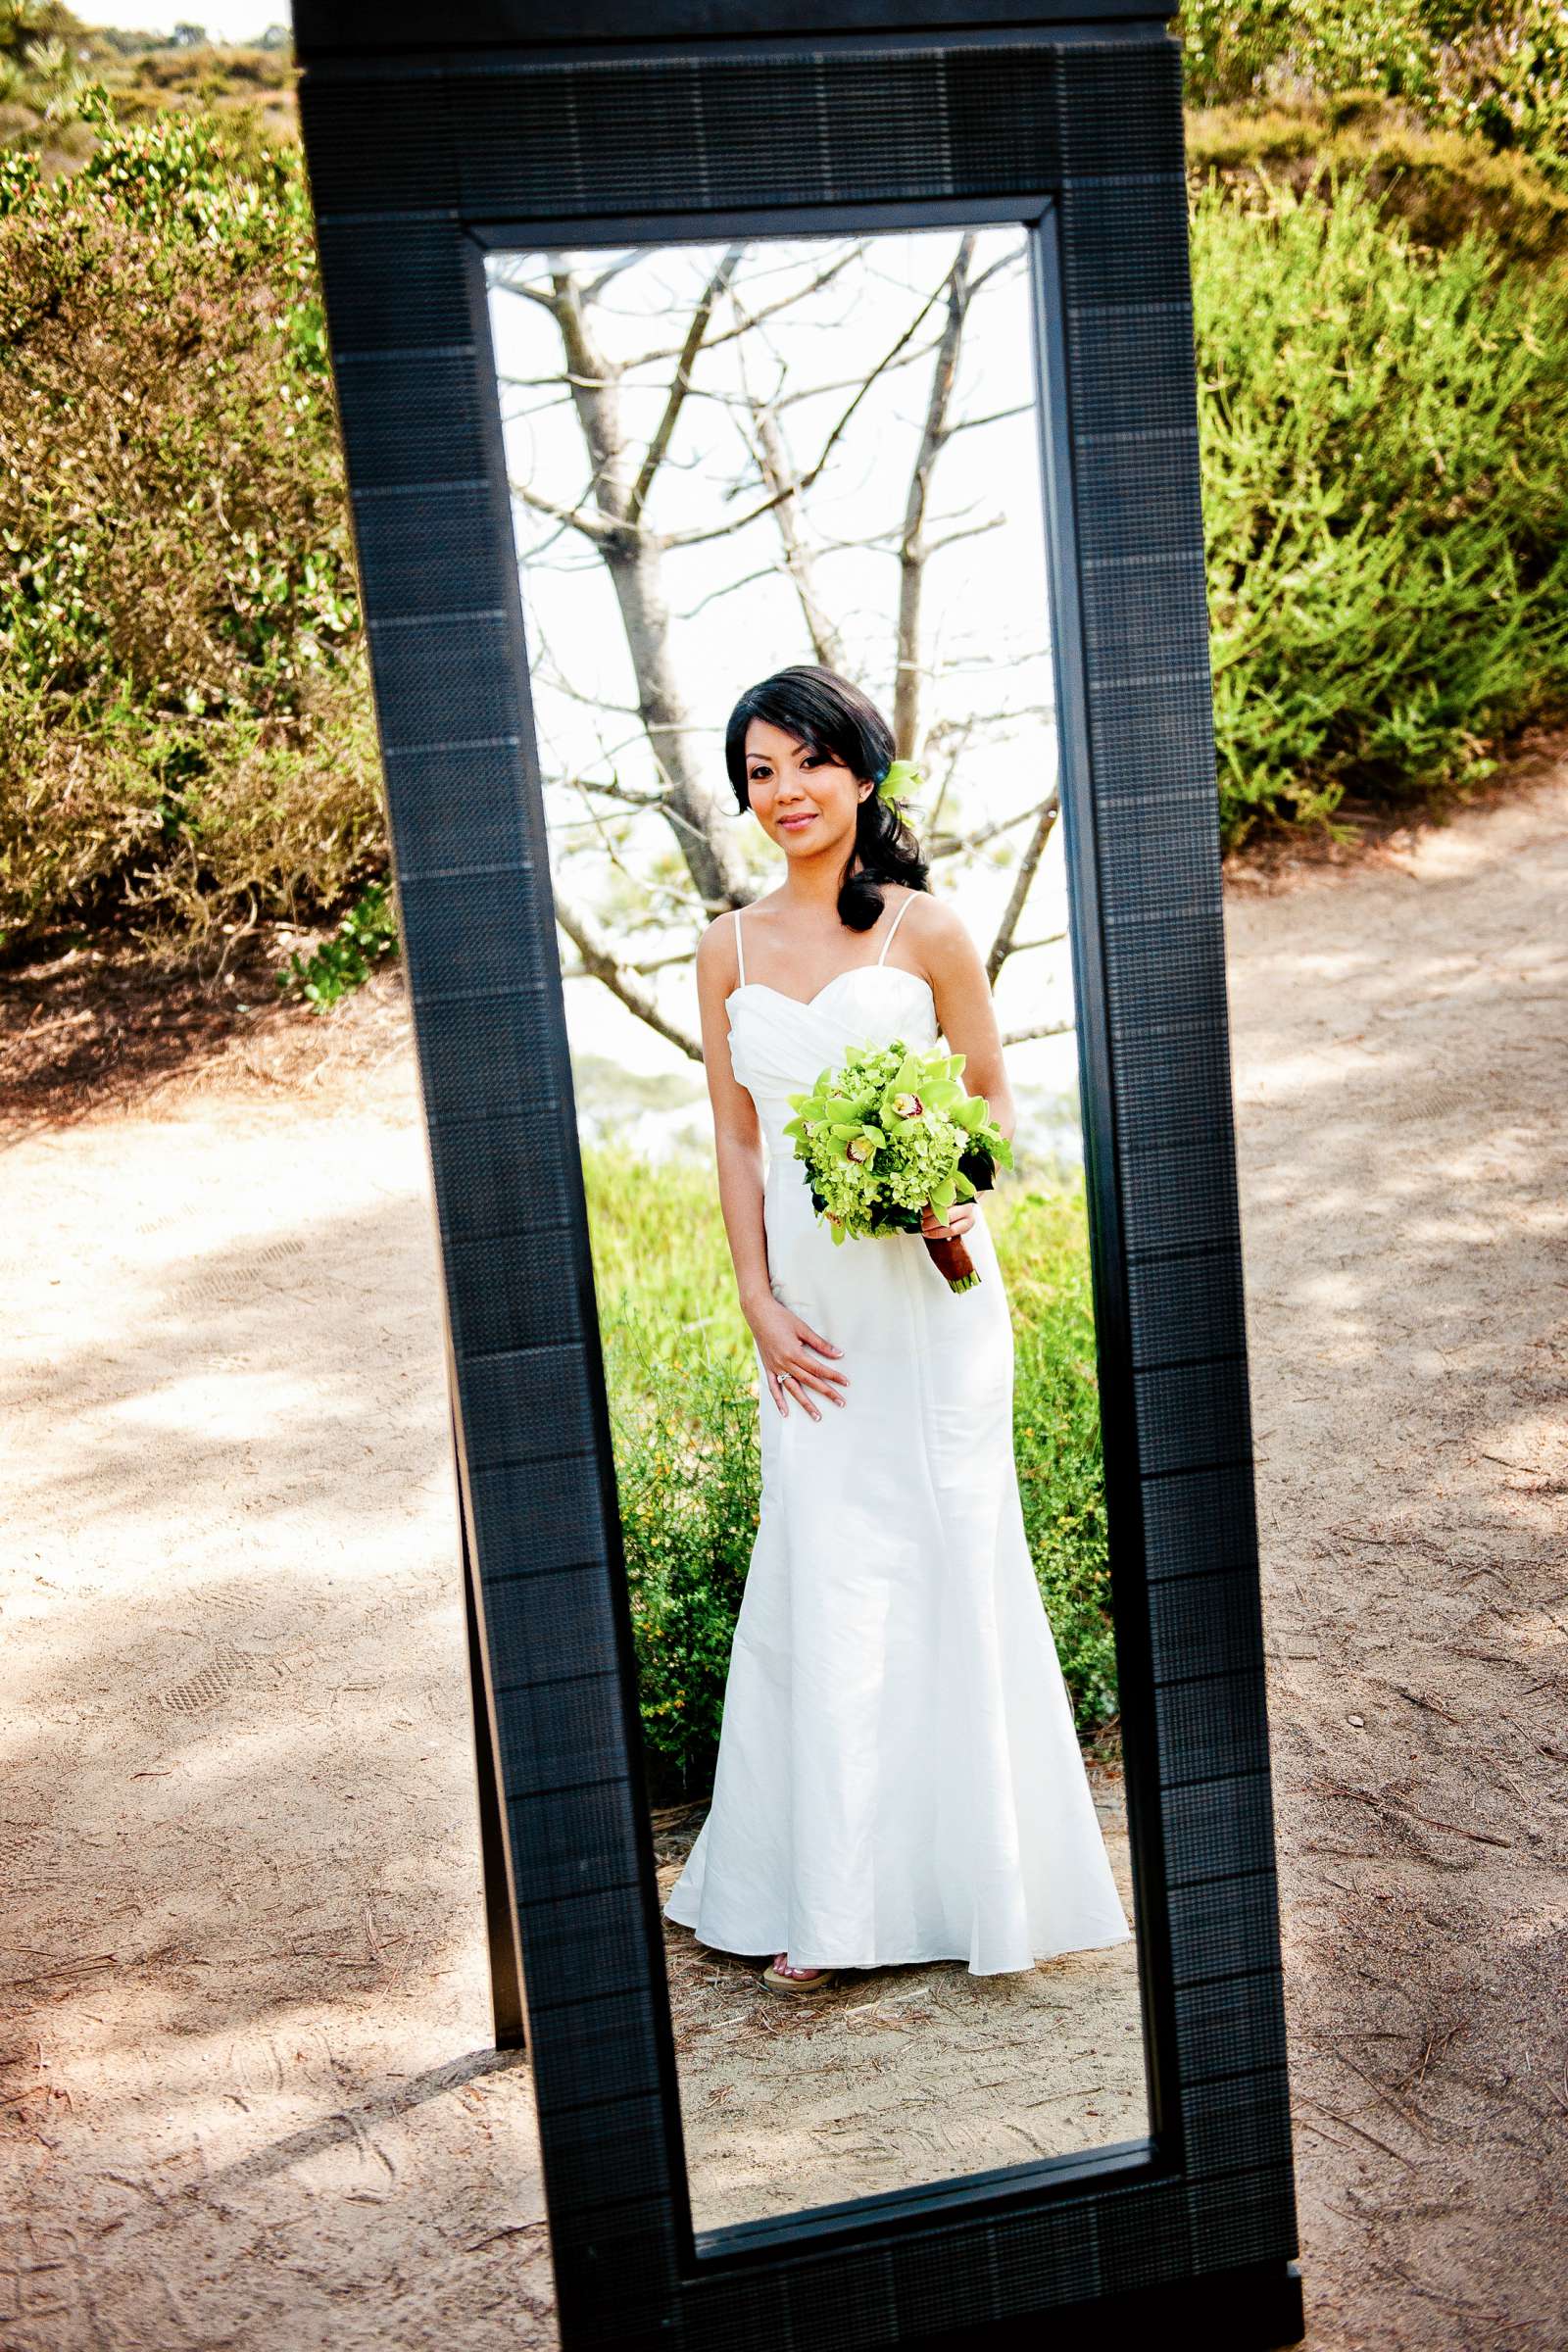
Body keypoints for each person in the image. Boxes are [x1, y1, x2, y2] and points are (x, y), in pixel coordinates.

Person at [662, 664, 1131, 1996]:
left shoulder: (927, 930)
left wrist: (929, 1177)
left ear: (862, 771)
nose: (784, 793)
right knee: (825, 1565)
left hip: (931, 1308)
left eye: (806, 761)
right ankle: (829, 1898)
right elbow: (739, 1143)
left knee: (937, 1559)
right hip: (810, 1317)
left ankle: (962, 1884)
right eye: (758, 772)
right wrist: (757, 1299)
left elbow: (992, 1105)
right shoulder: (727, 949)